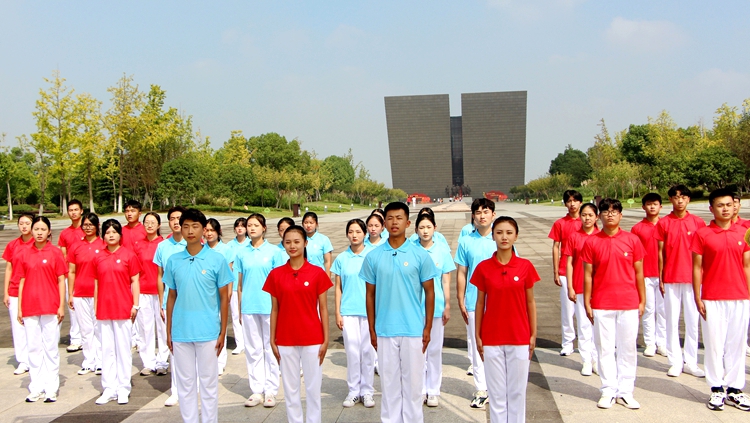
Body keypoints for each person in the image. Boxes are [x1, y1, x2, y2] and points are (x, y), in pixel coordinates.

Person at [360, 202, 438, 423]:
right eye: (390, 218)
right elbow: (370, 295)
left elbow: (430, 293)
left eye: (399, 218)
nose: (394, 222)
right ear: (384, 223)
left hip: (413, 329)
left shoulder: (420, 255)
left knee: (413, 386)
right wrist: (372, 329)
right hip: (384, 330)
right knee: (389, 385)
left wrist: (428, 326)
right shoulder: (373, 257)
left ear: (408, 222)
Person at [165, 208, 232, 423]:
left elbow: (224, 298)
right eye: (186, 226)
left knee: (208, 383)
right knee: (185, 384)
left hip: (208, 331)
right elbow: (171, 297)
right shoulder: (174, 260)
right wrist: (168, 331)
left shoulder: (216, 260)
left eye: (195, 226)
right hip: (181, 332)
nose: (190, 231)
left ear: (204, 230)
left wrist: (223, 331)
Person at [472, 216, 539, 423]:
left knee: (517, 393)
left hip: (519, 336)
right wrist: (478, 335)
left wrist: (533, 333)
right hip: (492, 337)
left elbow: (530, 302)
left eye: (509, 233)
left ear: (516, 236)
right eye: (499, 232)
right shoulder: (484, 268)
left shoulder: (525, 266)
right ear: (493, 235)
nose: (504, 237)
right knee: (497, 394)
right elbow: (480, 304)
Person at [583, 198, 646, 410]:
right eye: (606, 211)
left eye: (615, 211)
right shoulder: (592, 241)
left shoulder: (632, 240)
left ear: (621, 215)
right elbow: (588, 275)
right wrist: (587, 301)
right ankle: (608, 389)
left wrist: (642, 299)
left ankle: (626, 391)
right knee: (605, 348)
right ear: (599, 215)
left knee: (628, 348)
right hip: (602, 303)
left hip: (628, 302)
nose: (610, 214)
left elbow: (639, 272)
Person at [265, 225, 332, 423]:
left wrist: (326, 339)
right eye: (288, 242)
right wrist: (272, 338)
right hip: (285, 339)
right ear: (283, 244)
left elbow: (324, 309)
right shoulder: (276, 274)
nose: (292, 246)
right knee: (290, 388)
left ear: (305, 243)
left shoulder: (317, 273)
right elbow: (275, 309)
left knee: (312, 387)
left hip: (312, 338)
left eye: (296, 241)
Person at [691, 188, 750, 411]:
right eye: (720, 205)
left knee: (736, 345)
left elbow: (747, 265)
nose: (725, 209)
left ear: (734, 206)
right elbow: (697, 268)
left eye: (728, 204)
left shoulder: (745, 232)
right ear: (711, 209)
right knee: (714, 344)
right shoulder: (702, 234)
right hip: (712, 297)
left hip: (739, 297)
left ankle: (735, 389)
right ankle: (716, 389)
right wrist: (697, 296)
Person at [655, 185, 706, 378]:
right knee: (671, 320)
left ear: (688, 200)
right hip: (671, 277)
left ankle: (691, 361)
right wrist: (661, 277)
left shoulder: (698, 222)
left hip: (693, 279)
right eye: (675, 197)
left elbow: (704, 252)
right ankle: (675, 361)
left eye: (683, 197)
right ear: (670, 200)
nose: (679, 200)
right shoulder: (664, 223)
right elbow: (660, 253)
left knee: (693, 321)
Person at [16, 216, 67, 403]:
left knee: (50, 348)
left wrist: (61, 305)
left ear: (49, 232)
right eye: (36, 229)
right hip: (30, 306)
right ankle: (36, 387)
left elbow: (61, 280)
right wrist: (20, 307)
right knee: (34, 349)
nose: (38, 232)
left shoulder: (55, 253)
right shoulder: (24, 253)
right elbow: (21, 281)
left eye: (42, 229)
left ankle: (51, 388)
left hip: (50, 306)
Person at [236, 213, 284, 408]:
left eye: (256, 225)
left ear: (264, 228)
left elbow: (280, 283)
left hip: (269, 307)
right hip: (249, 306)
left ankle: (271, 389)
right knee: (253, 349)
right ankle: (256, 389)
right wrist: (240, 308)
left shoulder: (274, 252)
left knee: (270, 348)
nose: (252, 228)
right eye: (249, 225)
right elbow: (240, 284)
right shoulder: (241, 253)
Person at [94, 219, 141, 405]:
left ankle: (123, 387)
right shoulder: (98, 256)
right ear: (103, 236)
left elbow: (135, 281)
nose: (111, 235)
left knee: (123, 350)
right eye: (107, 232)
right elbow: (96, 283)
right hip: (104, 310)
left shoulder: (128, 255)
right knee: (106, 350)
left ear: (120, 235)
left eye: (114, 231)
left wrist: (135, 305)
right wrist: (96, 306)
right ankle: (109, 388)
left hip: (123, 309)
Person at [455, 198, 497, 409]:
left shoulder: (501, 239)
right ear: (473, 216)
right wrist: (460, 299)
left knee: (497, 347)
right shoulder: (466, 241)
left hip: (499, 303)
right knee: (479, 346)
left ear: (493, 215)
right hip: (474, 301)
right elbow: (462, 272)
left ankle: (498, 388)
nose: (482, 215)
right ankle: (481, 389)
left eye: (486, 211)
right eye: (478, 212)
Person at [333, 219, 376, 409]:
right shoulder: (342, 258)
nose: (354, 235)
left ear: (365, 234)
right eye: (351, 231)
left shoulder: (373, 256)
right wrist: (337, 312)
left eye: (358, 231)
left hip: (369, 312)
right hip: (348, 311)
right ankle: (353, 391)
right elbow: (338, 287)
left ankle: (367, 391)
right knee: (352, 352)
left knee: (368, 352)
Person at [414, 214, 455, 407]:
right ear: (416, 230)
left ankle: (433, 390)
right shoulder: (411, 250)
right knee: (418, 350)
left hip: (436, 306)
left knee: (434, 350)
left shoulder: (442, 251)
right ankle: (420, 388)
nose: (425, 231)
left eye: (428, 227)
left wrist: (447, 304)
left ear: (435, 229)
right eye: (421, 227)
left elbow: (445, 280)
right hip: (414, 308)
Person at [153, 205, 187, 406]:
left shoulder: (194, 244)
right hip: (170, 301)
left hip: (191, 303)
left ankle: (194, 386)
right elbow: (160, 277)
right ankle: (176, 390)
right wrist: (161, 302)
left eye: (179, 218)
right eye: (172, 218)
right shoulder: (163, 247)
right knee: (174, 346)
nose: (176, 221)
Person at [562, 203, 599, 376]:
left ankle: (597, 359)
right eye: (584, 215)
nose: (587, 218)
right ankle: (586, 360)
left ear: (596, 217)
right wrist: (570, 286)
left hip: (599, 288)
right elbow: (569, 263)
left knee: (598, 326)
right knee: (584, 325)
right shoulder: (574, 236)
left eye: (590, 215)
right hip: (579, 285)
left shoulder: (601, 236)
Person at [67, 213, 106, 375]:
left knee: (99, 328)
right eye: (85, 225)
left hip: (99, 293)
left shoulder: (103, 244)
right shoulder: (76, 246)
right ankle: (88, 360)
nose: (88, 227)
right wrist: (70, 294)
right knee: (85, 328)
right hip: (80, 292)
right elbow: (71, 271)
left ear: (97, 226)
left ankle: (101, 360)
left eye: (91, 224)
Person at [630, 193, 667, 358]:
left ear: (661, 206)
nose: (652, 207)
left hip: (664, 275)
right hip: (645, 274)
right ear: (643, 207)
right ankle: (650, 342)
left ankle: (663, 342)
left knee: (663, 310)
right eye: (649, 204)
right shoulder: (637, 229)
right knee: (648, 309)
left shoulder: (666, 225)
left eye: (655, 204)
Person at [548, 190, 582, 357]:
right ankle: (568, 343)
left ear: (580, 203)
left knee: (584, 310)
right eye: (569, 201)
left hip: (584, 271)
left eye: (575, 200)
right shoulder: (560, 223)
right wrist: (555, 271)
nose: (572, 204)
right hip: (564, 270)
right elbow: (556, 247)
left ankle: (585, 344)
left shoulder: (588, 222)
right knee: (568, 310)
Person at [133, 212, 167, 376]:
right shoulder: (137, 244)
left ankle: (162, 361)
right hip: (143, 290)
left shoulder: (164, 244)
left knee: (162, 327)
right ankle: (148, 362)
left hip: (161, 291)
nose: (149, 225)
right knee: (145, 328)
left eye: (153, 222)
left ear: (159, 225)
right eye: (147, 222)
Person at [3, 212, 34, 376]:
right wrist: (6, 292)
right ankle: (23, 360)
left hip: (33, 291)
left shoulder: (37, 244)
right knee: (18, 326)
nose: (24, 226)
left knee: (33, 325)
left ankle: (34, 357)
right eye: (21, 223)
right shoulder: (12, 245)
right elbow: (9, 269)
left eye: (27, 223)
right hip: (15, 290)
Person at [204, 218, 235, 375]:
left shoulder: (226, 249)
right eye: (207, 230)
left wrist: (228, 293)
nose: (209, 233)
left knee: (220, 327)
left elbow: (229, 274)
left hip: (220, 294)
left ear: (218, 232)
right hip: (205, 295)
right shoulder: (201, 249)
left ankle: (220, 360)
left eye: (212, 230)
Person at [58, 199, 84, 353]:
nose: (73, 212)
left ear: (81, 211)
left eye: (76, 209)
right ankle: (76, 338)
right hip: (71, 274)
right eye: (71, 210)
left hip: (87, 274)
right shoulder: (65, 233)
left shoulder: (87, 229)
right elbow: (63, 254)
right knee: (73, 306)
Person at [228, 217, 249, 356]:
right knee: (236, 315)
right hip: (235, 285)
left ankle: (249, 342)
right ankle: (239, 343)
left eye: (242, 226)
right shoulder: (230, 245)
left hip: (248, 285)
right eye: (238, 226)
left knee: (248, 315)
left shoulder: (250, 243)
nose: (240, 228)